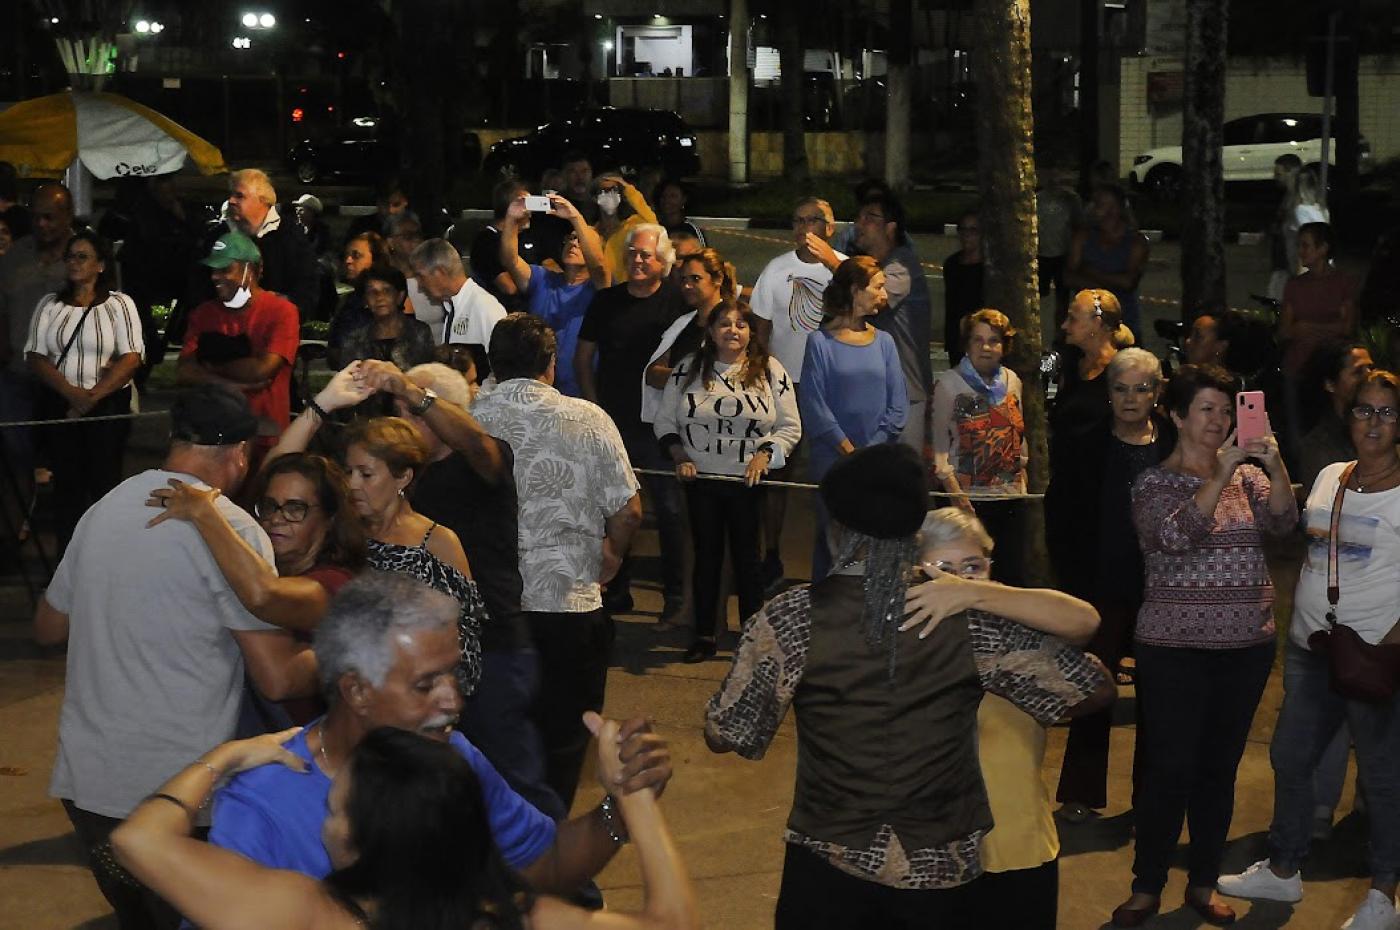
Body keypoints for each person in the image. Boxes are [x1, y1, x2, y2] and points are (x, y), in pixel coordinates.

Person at [125, 572, 694, 930]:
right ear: (357, 691)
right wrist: (635, 810)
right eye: (426, 684)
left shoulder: (451, 757)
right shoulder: (265, 801)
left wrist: (619, 808)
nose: (453, 700)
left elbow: (539, 867)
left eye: (452, 674)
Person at [705, 444, 1109, 930]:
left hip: (827, 859)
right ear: (914, 526)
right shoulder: (958, 615)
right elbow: (1094, 689)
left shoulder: (791, 618)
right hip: (937, 869)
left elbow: (726, 732)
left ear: (834, 524)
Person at [31, 384, 317, 930]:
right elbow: (277, 678)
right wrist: (348, 647)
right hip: (181, 793)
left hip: (90, 784)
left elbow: (48, 626)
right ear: (239, 455)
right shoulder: (232, 529)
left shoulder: (103, 511)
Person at [1110, 363, 1297, 928]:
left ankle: (1203, 881)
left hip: (1246, 647)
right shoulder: (1153, 482)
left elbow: (1286, 524)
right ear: (1177, 416)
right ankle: (1146, 885)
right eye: (1207, 409)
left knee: (1220, 770)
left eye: (1227, 408)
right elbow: (1172, 537)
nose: (1219, 421)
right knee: (1169, 768)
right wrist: (1220, 474)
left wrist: (1273, 462)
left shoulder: (1249, 476)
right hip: (1173, 649)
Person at [1217, 370, 1400, 930]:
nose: (1373, 422)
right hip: (1311, 648)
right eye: (1364, 410)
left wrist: (1392, 644)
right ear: (1348, 417)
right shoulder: (1329, 477)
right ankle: (1284, 865)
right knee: (1290, 758)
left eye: (1387, 413)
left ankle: (1383, 895)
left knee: (1381, 775)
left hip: (1374, 655)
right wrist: (1270, 465)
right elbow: (1297, 535)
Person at [355, 358, 563, 819]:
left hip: (494, 651)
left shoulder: (483, 463)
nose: (400, 421)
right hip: (425, 657)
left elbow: (474, 443)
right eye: (397, 410)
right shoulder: (406, 482)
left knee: (512, 779)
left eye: (410, 413)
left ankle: (567, 877)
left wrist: (413, 390)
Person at [473, 313, 645, 811]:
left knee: (489, 738)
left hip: (491, 608)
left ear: (493, 364)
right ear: (550, 364)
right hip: (568, 603)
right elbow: (629, 510)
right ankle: (550, 851)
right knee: (564, 741)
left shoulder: (467, 418)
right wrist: (611, 554)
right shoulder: (589, 419)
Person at [913, 507, 1114, 930]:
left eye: (972, 566)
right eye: (943, 568)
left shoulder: (1016, 623)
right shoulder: (908, 632)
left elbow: (1086, 620)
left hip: (1017, 839)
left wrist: (976, 594)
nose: (958, 579)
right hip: (928, 849)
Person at [1054, 347, 1170, 822]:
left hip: (1161, 587)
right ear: (1108, 393)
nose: (1130, 399)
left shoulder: (1174, 444)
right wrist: (1073, 579)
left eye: (1141, 389)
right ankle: (1080, 793)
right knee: (1092, 685)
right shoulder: (1085, 443)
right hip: (1099, 585)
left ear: (1157, 393)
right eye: (1121, 388)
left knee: (1160, 696)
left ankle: (1152, 797)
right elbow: (1059, 512)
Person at [654, 301, 801, 662]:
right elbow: (665, 421)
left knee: (748, 561)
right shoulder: (689, 368)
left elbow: (789, 426)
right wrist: (681, 456)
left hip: (747, 484)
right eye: (724, 324)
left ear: (751, 332)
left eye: (741, 325)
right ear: (710, 331)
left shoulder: (770, 370)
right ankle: (704, 634)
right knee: (707, 558)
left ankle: (752, 637)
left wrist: (765, 455)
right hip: (702, 479)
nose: (733, 331)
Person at [575, 224, 687, 619]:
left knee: (671, 511)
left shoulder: (678, 302)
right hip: (612, 422)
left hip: (661, 428)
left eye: (646, 255)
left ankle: (675, 598)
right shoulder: (606, 301)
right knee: (613, 512)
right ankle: (614, 590)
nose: (637, 261)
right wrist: (593, 409)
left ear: (664, 262)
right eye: (633, 254)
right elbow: (583, 358)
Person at [23, 229, 143, 554]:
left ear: (100, 265)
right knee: (67, 489)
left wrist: (91, 397)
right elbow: (35, 355)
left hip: (106, 409)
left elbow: (132, 357)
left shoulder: (120, 305)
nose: (74, 262)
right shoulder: (50, 304)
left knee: (105, 486)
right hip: (62, 408)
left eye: (82, 256)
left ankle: (107, 557)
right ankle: (67, 561)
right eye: (71, 256)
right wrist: (72, 394)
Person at [750, 197, 845, 587]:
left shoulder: (844, 269)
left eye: (814, 220)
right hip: (785, 384)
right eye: (798, 220)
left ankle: (838, 558)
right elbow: (760, 330)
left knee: (834, 475)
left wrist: (832, 264)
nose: (805, 228)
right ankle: (771, 555)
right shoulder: (776, 270)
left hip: (832, 387)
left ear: (831, 227)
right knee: (777, 472)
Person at [799, 256, 908, 581]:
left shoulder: (885, 343)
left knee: (874, 540)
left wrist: (869, 453)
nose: (883, 294)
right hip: (832, 463)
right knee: (831, 542)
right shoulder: (820, 343)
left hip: (877, 462)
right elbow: (815, 404)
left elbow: (897, 406)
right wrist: (848, 450)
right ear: (855, 291)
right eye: (877, 286)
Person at [178, 231, 300, 461]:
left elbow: (261, 371)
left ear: (250, 270)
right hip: (213, 437)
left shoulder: (281, 311)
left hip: (264, 438)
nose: (215, 277)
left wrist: (209, 364)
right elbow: (183, 371)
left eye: (225, 269)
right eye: (213, 270)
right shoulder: (203, 313)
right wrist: (228, 381)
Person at [929, 308, 1027, 584]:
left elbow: (1019, 433)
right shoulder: (949, 385)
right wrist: (957, 496)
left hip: (1008, 498)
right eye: (978, 340)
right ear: (967, 344)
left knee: (1007, 577)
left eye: (994, 340)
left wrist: (1023, 471)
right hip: (968, 500)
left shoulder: (1012, 382)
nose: (986, 347)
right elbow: (939, 446)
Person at [1045, 289, 1129, 603]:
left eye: (1072, 318)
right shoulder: (1069, 366)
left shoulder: (1122, 372)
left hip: (1102, 498)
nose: (1065, 326)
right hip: (1067, 495)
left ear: (1097, 323)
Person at [500, 191, 610, 398]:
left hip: (582, 393)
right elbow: (510, 260)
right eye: (571, 237)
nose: (574, 243)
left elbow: (601, 268)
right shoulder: (544, 279)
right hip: (537, 391)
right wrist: (512, 219)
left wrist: (575, 218)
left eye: (581, 239)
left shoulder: (600, 289)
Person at [0, 182, 74, 481]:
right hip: (18, 371)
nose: (41, 224)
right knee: (14, 449)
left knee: (66, 455)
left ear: (67, 215)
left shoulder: (84, 255)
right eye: (36, 217)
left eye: (49, 217)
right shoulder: (15, 256)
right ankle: (19, 523)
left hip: (66, 376)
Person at [849, 190, 932, 453]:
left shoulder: (902, 265)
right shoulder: (866, 264)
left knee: (903, 474)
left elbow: (875, 299)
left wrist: (829, 258)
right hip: (871, 388)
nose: (858, 224)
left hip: (906, 391)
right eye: (858, 217)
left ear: (891, 227)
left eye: (869, 217)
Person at [1280, 222, 1357, 457]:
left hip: (1329, 372)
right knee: (1298, 435)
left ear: (1323, 248)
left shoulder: (1342, 283)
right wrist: (1326, 328)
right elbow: (1285, 331)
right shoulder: (1295, 285)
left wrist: (1306, 327)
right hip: (1298, 369)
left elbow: (1348, 327)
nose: (1301, 252)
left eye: (1306, 246)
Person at [642, 247, 737, 424]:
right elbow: (652, 374)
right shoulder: (681, 324)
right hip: (679, 424)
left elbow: (726, 379)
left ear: (717, 279)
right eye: (684, 279)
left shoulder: (735, 326)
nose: (687, 286)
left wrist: (678, 378)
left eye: (695, 279)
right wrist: (691, 376)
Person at [218, 168, 319, 323]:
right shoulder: (218, 234)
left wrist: (279, 304)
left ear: (262, 200)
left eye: (239, 195)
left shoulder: (291, 237)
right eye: (231, 194)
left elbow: (307, 292)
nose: (231, 200)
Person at [410, 237, 506, 379]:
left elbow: (504, 370)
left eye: (420, 277)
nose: (419, 287)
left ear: (439, 272)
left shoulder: (485, 308)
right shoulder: (452, 308)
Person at [1066, 184, 1149, 342]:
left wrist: (1089, 272)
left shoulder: (1136, 242)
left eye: (1099, 204)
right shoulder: (1083, 237)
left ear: (1115, 210)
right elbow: (1069, 278)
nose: (1092, 208)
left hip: (1124, 325)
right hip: (1086, 328)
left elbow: (1128, 282)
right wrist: (1111, 281)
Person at [1297, 340, 1374, 493]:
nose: (1370, 377)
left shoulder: (1384, 429)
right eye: (1358, 372)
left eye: (1370, 368)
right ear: (1330, 384)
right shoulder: (1318, 446)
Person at [332, 265, 435, 372]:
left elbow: (428, 376)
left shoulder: (419, 333)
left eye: (386, 290)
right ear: (365, 301)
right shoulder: (354, 340)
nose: (379, 297)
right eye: (372, 292)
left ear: (400, 297)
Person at [325, 231, 393, 367]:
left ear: (375, 260)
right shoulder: (347, 301)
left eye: (356, 256)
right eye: (347, 255)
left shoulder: (391, 301)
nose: (348, 261)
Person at [1037, 170, 1083, 326]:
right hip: (1042, 254)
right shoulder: (1037, 200)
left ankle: (1060, 332)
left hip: (1063, 255)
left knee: (1063, 297)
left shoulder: (1069, 200)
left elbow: (1079, 224)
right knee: (1038, 295)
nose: (1052, 179)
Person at [594, 173, 658, 284]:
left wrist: (628, 188)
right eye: (604, 190)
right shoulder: (589, 232)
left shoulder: (633, 225)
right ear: (595, 198)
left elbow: (654, 225)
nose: (610, 194)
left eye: (614, 190)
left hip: (628, 291)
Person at [942, 209, 985, 365]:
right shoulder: (952, 264)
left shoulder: (988, 267)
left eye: (973, 230)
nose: (967, 235)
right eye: (963, 229)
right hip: (957, 337)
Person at [1267, 153, 1303, 299]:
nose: (1275, 177)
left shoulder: (1298, 201)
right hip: (1283, 263)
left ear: (1291, 172)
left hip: (1290, 265)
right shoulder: (1289, 197)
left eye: (1278, 173)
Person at [654, 177, 704, 244]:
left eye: (673, 196)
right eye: (664, 196)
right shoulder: (654, 225)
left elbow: (701, 253)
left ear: (683, 200)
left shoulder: (690, 229)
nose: (667, 200)